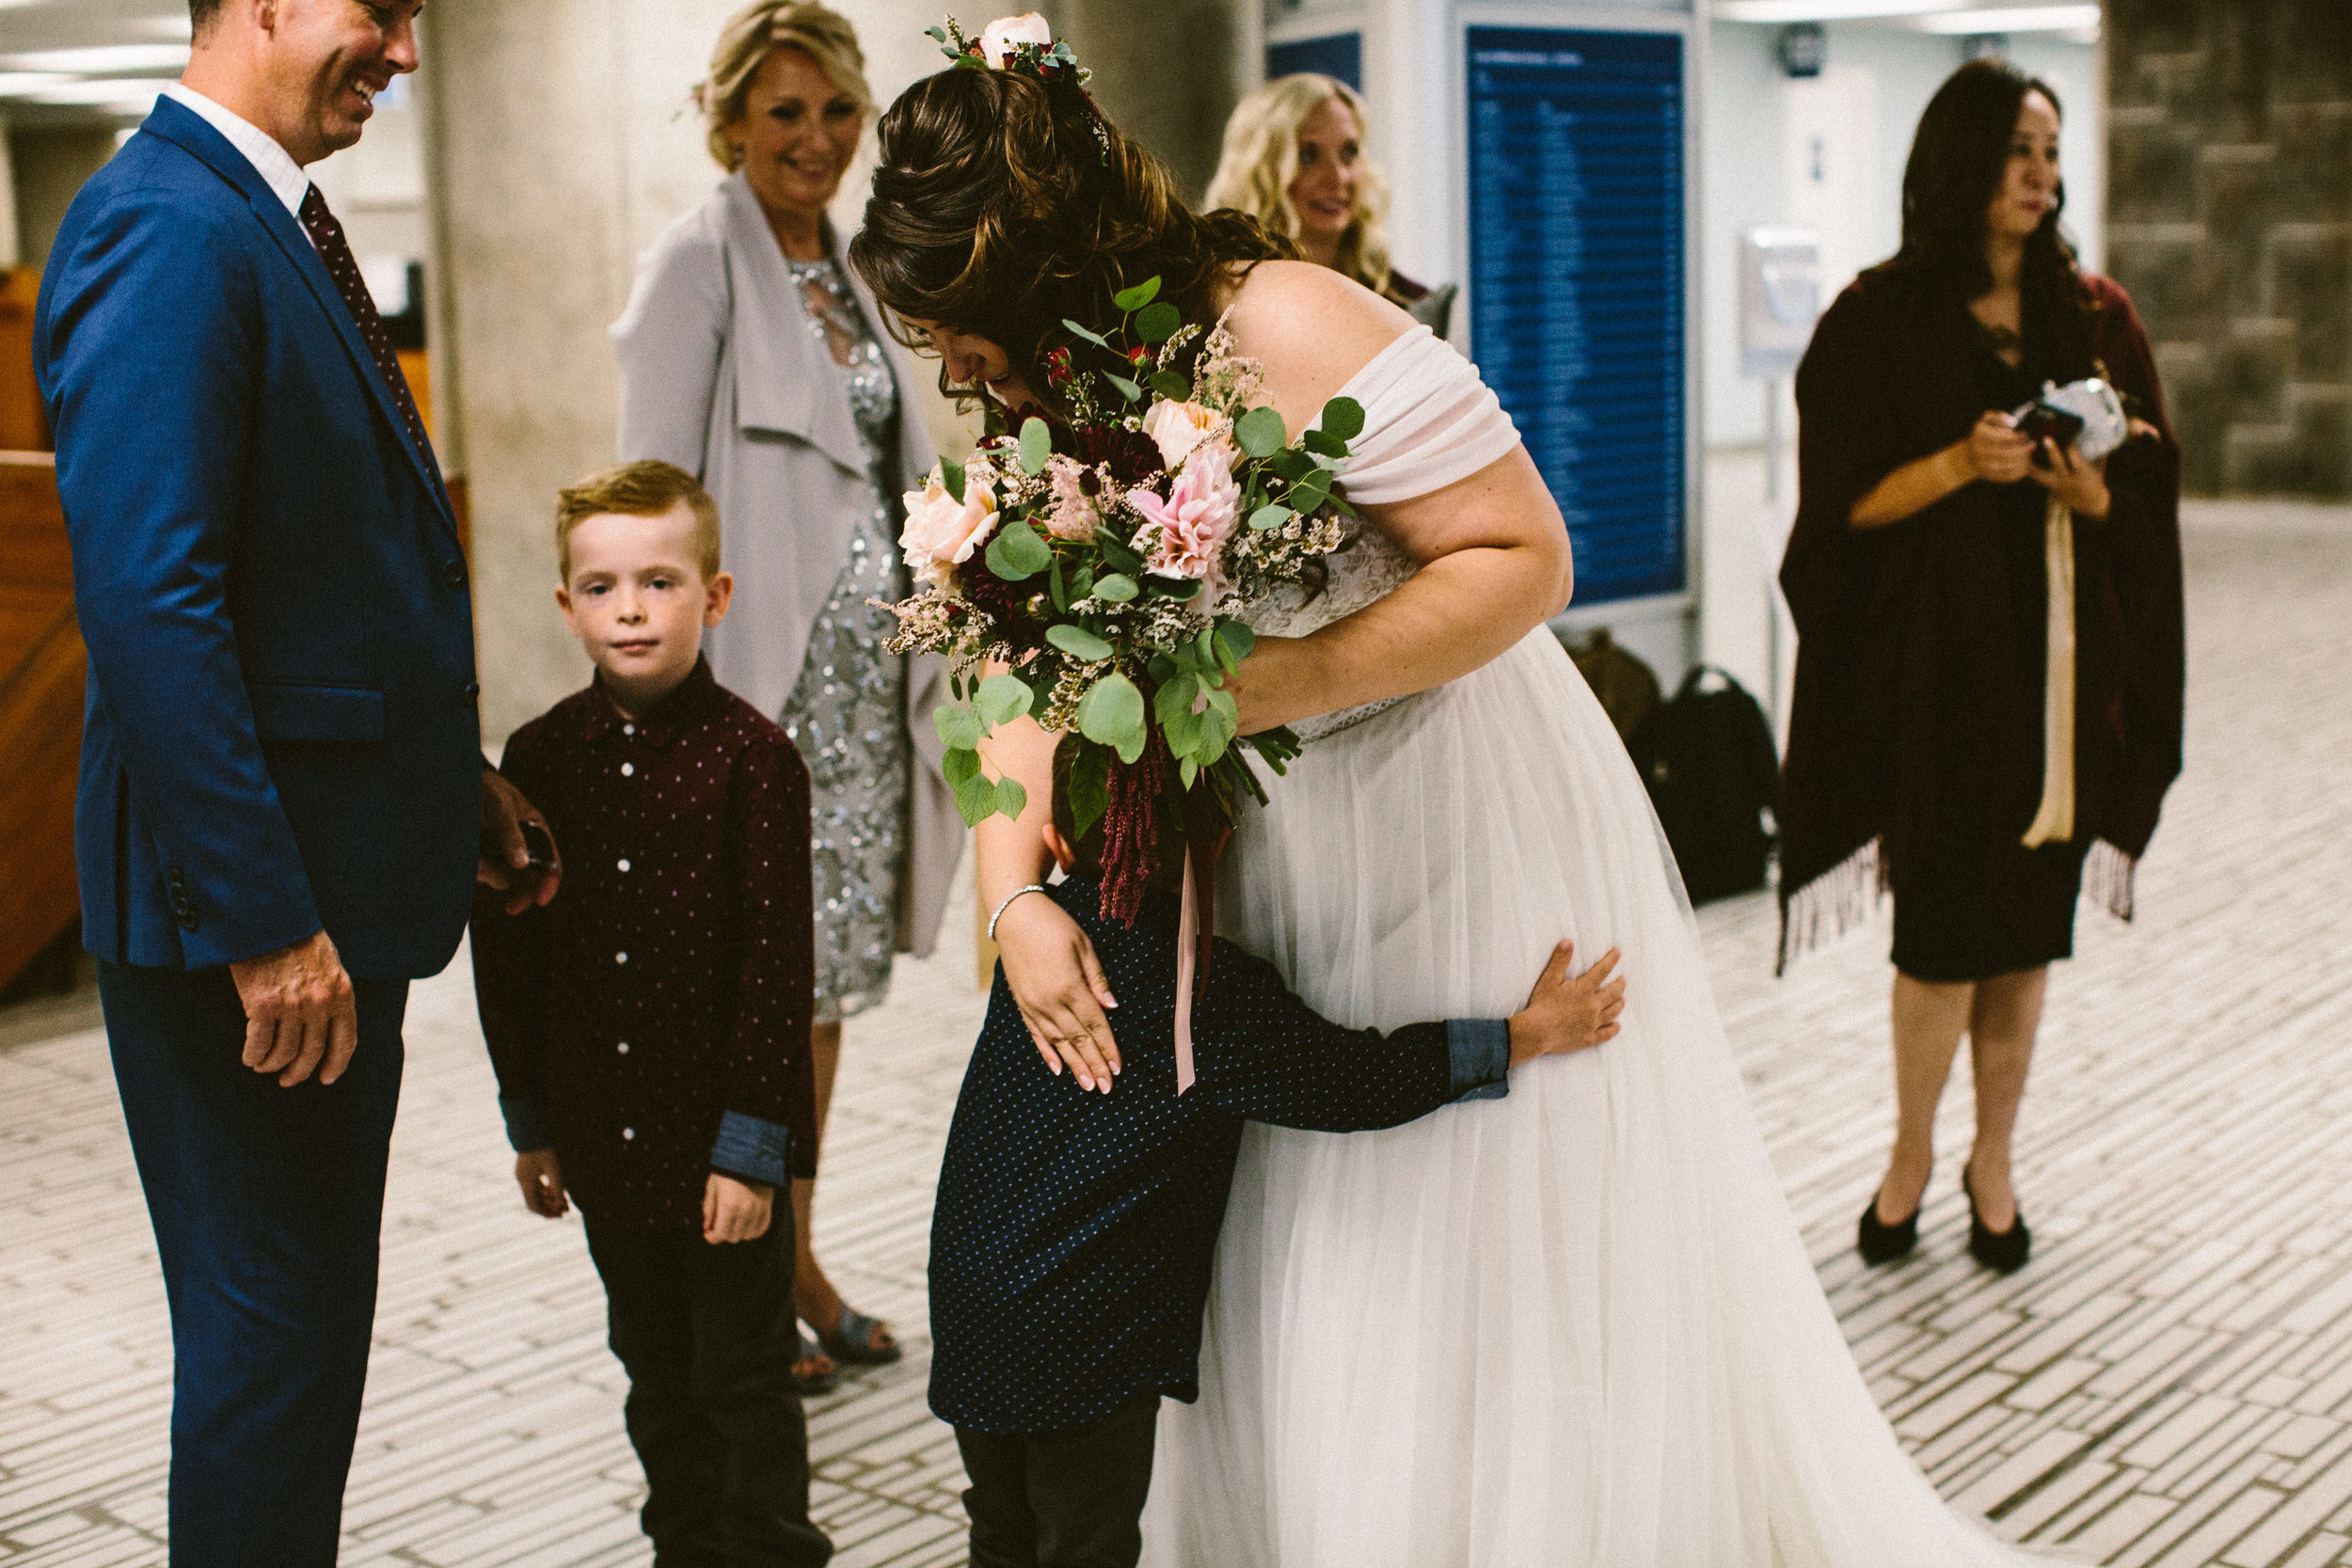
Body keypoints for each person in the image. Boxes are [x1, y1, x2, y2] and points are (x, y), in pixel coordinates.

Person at [852, 26, 2104, 1564]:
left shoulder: (1289, 321)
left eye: (966, 337)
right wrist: (1014, 892)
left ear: (1041, 271)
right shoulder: (1074, 393)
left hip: (1441, 802)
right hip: (1275, 843)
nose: (957, 376)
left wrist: (1287, 682)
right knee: (1285, 1210)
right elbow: (1020, 666)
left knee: (1439, 1215)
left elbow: (1529, 555)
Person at [32, 2, 558, 1560]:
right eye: (378, 10)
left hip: (315, 875)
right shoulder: (169, 226)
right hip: (252, 924)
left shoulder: (261, 215)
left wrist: (445, 779)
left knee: (287, 1336)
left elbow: (300, 578)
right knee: (278, 1347)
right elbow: (152, 598)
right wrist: (262, 919)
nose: (404, 48)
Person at [932, 738, 1623, 1568]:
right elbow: (1356, 1081)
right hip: (1084, 1339)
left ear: (1060, 843)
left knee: (1001, 1534)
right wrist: (1522, 1036)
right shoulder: (1205, 994)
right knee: (1088, 1545)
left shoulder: (1037, 958)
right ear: (1221, 839)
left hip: (973, 1302)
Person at [1777, 60, 2183, 1276]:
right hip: (1943, 682)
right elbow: (1839, 508)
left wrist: (2090, 485)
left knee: (2025, 933)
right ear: (1960, 161)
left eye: (2052, 153)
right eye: (2018, 150)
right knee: (1941, 935)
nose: (2042, 176)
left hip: (2063, 678)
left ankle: (1991, 1161)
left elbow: (2149, 487)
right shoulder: (1878, 316)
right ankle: (1910, 1152)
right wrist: (1961, 462)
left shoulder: (2095, 315)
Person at [612, 0, 955, 1386]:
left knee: (814, 992)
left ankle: (791, 1254)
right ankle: (742, 1282)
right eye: (785, 112)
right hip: (760, 695)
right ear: (735, 119)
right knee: (743, 989)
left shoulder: (852, 267)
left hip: (862, 699)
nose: (814, 139)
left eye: (834, 112)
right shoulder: (694, 267)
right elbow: (646, 511)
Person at [469, 460, 832, 1567]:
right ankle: (686, 1547)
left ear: (714, 596)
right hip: (605, 1143)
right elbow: (508, 956)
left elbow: (779, 968)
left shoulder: (754, 761)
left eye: (661, 581)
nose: (631, 607)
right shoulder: (533, 761)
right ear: (566, 604)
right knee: (656, 1374)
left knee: (742, 1375)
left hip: (722, 1149)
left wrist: (748, 1151)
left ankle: (770, 1550)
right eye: (603, 585)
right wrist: (530, 1120)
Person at [1204, 72, 1454, 337]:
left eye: (1349, 153)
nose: (1338, 177)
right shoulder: (1222, 303)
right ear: (1262, 170)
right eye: (1309, 155)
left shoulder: (1409, 306)